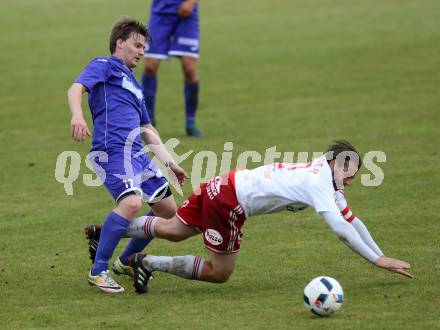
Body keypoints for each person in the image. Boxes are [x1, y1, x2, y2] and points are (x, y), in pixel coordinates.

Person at [113, 140, 411, 294]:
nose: (348, 181)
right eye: (348, 174)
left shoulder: (323, 171)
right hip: (230, 203)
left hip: (226, 183)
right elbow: (342, 231)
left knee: (173, 230)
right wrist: (376, 261)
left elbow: (352, 221)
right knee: (221, 272)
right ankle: (147, 262)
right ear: (335, 163)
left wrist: (382, 256)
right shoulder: (319, 182)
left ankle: (110, 231)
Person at [67, 17, 188, 294]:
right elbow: (75, 88)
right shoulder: (104, 65)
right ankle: (98, 271)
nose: (142, 51)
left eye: (143, 47)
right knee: (132, 203)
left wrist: (170, 162)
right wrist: (78, 115)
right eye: (137, 45)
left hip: (138, 154)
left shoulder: (135, 85)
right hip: (112, 150)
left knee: (169, 214)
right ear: (119, 44)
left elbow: (146, 128)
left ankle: (125, 261)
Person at [142, 0, 203, 137]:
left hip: (187, 13)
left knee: (189, 69)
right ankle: (148, 122)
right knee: (150, 66)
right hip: (160, 12)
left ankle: (190, 122)